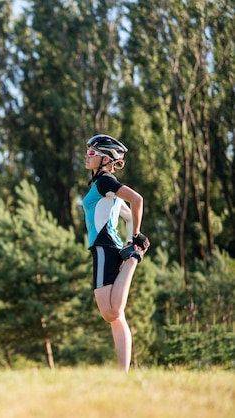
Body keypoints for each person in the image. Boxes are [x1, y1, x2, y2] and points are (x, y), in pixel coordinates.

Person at [82, 134, 150, 371]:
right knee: (116, 317)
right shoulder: (102, 185)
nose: (86, 155)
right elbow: (128, 213)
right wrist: (133, 235)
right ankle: (124, 373)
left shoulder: (104, 182)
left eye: (91, 152)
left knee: (110, 312)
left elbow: (137, 199)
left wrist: (136, 238)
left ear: (105, 158)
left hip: (105, 247)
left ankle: (132, 260)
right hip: (111, 247)